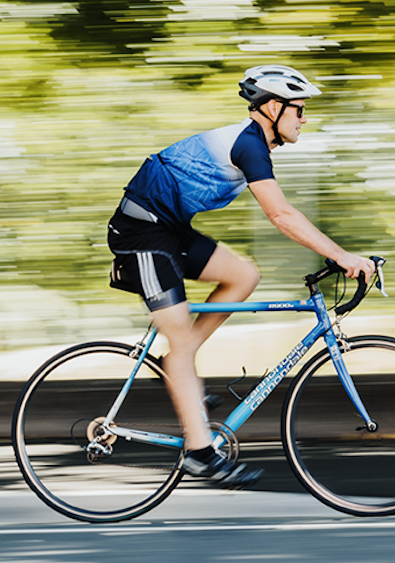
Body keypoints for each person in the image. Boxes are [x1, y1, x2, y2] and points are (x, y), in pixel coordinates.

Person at [107, 65, 376, 489]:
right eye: (299, 110)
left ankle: (179, 367)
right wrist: (342, 256)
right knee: (180, 346)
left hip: (169, 230)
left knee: (243, 275)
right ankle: (199, 454)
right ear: (272, 107)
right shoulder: (249, 144)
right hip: (140, 233)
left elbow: (281, 215)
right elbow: (281, 215)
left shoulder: (253, 144)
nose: (304, 119)